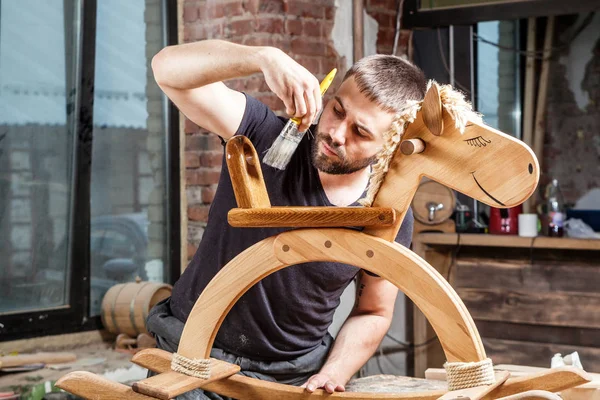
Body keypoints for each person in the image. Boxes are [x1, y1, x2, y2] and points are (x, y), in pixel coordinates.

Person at [147, 39, 427, 399]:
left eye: (361, 132)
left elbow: (373, 311)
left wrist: (333, 372)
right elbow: (166, 70)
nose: (337, 135)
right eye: (337, 110)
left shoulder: (386, 212)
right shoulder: (266, 136)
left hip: (291, 377)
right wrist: (262, 57)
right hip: (188, 351)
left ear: (391, 143)